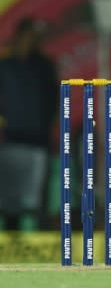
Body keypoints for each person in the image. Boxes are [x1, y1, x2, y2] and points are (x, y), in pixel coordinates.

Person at [0, 17, 59, 231]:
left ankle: (41, 234)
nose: (33, 40)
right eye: (30, 35)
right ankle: (10, 234)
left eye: (36, 37)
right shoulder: (5, 65)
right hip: (13, 136)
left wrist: (51, 125)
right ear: (19, 36)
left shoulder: (44, 65)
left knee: (39, 191)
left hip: (40, 136)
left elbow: (54, 100)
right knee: (10, 191)